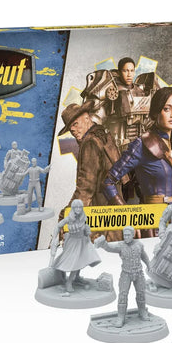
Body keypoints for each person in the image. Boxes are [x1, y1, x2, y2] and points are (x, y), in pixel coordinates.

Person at [102, 86, 172, 209]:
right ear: (156, 112)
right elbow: (108, 182)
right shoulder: (142, 145)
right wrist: (125, 213)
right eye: (167, 109)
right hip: (153, 218)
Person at [58, 101, 125, 241]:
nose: (73, 130)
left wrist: (68, 214)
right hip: (115, 218)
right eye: (70, 128)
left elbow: (86, 188)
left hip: (99, 224)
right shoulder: (104, 135)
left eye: (75, 124)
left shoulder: (90, 142)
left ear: (87, 117)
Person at [95, 226, 151, 327]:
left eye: (128, 235)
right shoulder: (121, 246)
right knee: (122, 295)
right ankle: (121, 317)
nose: (126, 237)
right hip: (126, 274)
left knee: (141, 293)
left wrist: (149, 264)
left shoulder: (139, 244)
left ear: (133, 235)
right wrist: (103, 244)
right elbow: (109, 248)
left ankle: (142, 312)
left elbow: (143, 255)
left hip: (138, 273)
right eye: (125, 235)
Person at [50, 199, 101, 294]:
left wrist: (87, 231)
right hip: (73, 242)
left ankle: (76, 277)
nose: (78, 209)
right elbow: (58, 226)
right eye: (76, 207)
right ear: (73, 208)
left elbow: (85, 230)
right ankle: (69, 282)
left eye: (80, 207)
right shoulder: (69, 219)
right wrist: (54, 238)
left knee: (81, 260)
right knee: (75, 262)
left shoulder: (83, 218)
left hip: (83, 241)